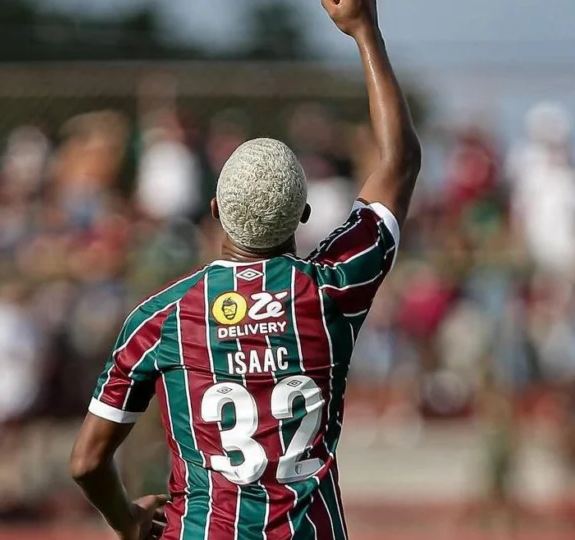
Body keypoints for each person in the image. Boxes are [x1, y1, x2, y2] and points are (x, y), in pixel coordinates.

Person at [69, 1, 421, 539]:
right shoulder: (331, 288)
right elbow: (398, 163)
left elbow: (87, 462)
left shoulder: (162, 317)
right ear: (302, 215)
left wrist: (126, 520)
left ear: (214, 209)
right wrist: (364, 30)